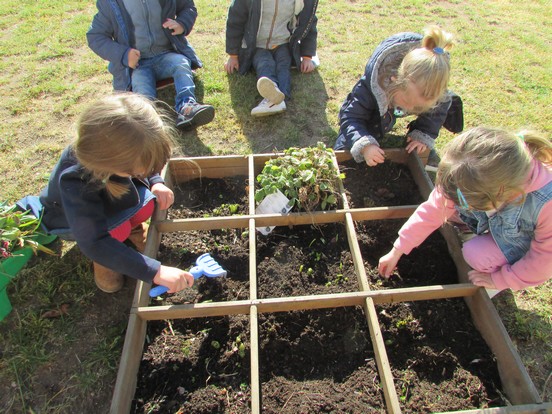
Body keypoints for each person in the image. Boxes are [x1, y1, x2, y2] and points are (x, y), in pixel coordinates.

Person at [17, 94, 195, 294]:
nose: (141, 174)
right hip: (73, 221)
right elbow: (94, 241)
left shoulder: (122, 149)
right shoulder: (74, 181)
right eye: (136, 173)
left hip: (109, 199)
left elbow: (147, 160)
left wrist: (156, 182)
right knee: (115, 233)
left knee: (148, 204)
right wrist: (156, 271)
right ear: (111, 163)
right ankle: (106, 261)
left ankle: (133, 232)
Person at [378, 127, 552, 294]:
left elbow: (543, 262)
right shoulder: (467, 172)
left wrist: (501, 279)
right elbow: (434, 209)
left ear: (502, 195)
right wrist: (398, 249)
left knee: (475, 256)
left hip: (521, 241)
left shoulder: (545, 204)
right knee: (446, 208)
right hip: (498, 220)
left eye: (468, 202)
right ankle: (479, 229)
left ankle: (497, 266)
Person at [334, 26, 463, 166]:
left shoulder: (434, 92)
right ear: (395, 81)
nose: (410, 108)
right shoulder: (373, 86)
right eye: (407, 101)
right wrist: (365, 144)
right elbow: (351, 116)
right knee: (346, 148)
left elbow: (437, 113)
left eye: (419, 107)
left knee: (422, 149)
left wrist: (422, 134)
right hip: (371, 110)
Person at [86, 0, 215, 130]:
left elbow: (187, 7)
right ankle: (150, 122)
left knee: (181, 63)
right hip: (138, 65)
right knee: (142, 88)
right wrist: (124, 54)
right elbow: (95, 37)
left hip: (166, 54)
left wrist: (182, 24)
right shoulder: (110, 4)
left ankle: (187, 107)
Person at [224, 0, 318, 117]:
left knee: (283, 66)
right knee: (264, 63)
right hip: (258, 45)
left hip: (283, 43)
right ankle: (271, 91)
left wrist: (307, 57)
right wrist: (233, 56)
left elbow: (309, 22)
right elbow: (235, 21)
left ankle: (280, 98)